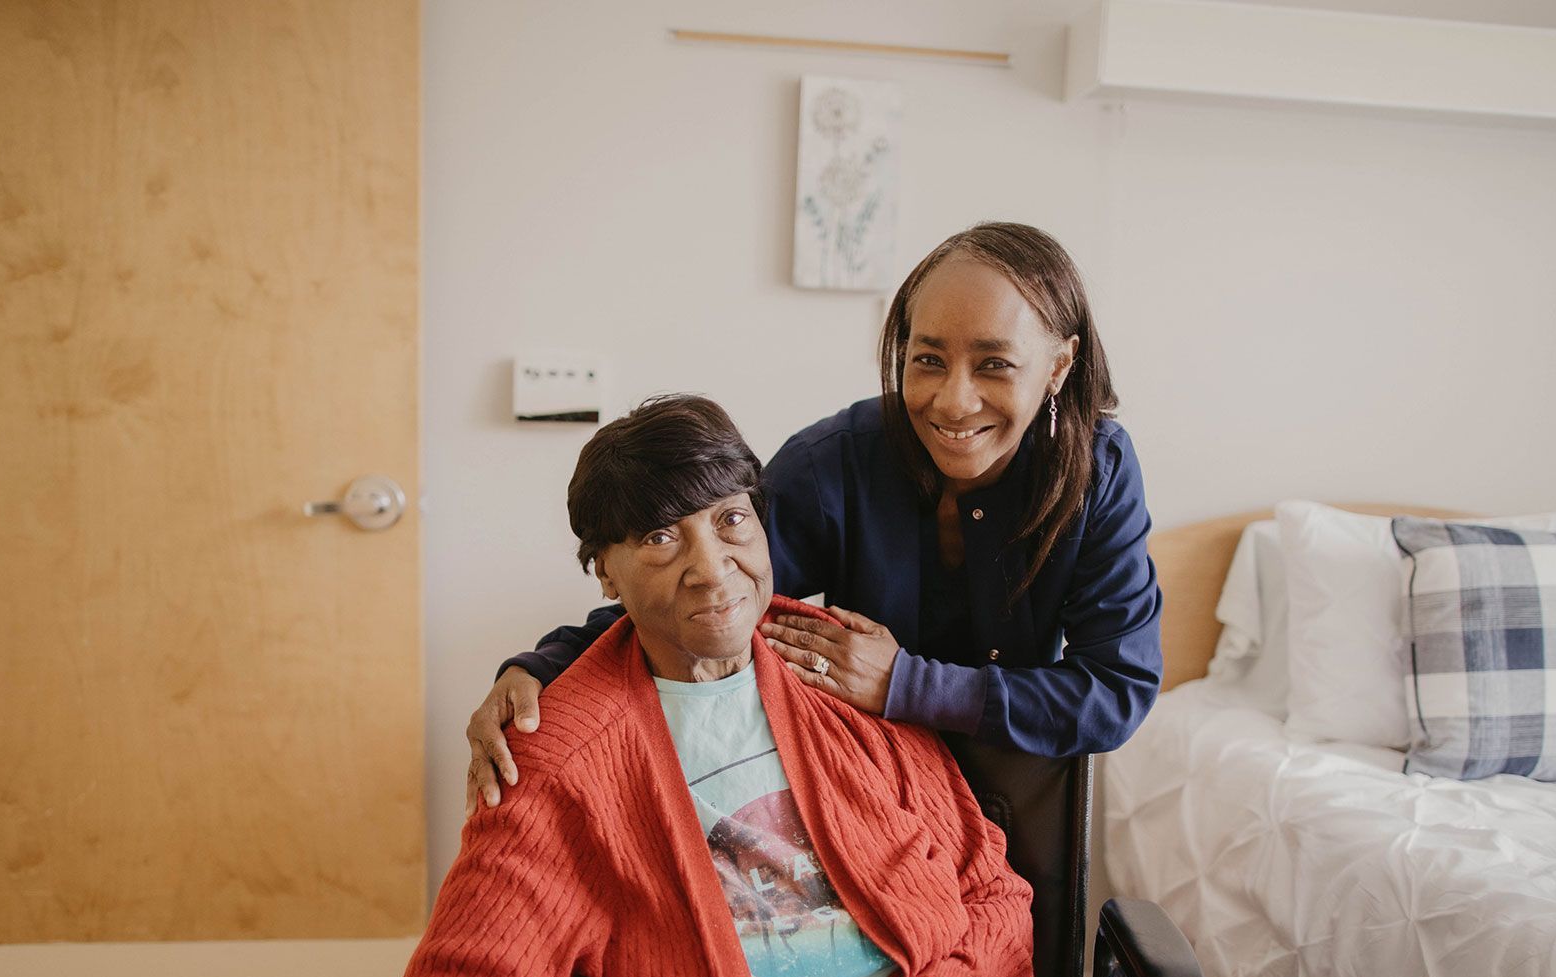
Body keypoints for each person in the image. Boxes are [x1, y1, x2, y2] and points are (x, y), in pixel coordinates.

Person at [377, 396, 1129, 977]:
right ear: (604, 574)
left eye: (731, 520)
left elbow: (991, 897)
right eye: (660, 538)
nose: (710, 568)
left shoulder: (839, 668)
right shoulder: (556, 763)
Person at [465, 221, 1161, 818]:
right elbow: (714, 592)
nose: (953, 401)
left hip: (1021, 794)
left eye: (994, 364)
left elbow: (1115, 694)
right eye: (927, 360)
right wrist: (540, 665)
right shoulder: (836, 462)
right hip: (874, 796)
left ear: (1060, 365)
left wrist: (905, 684)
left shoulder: (1097, 472)